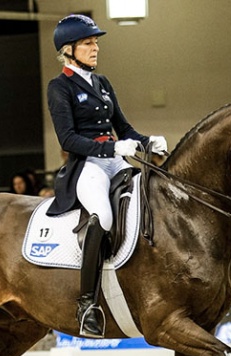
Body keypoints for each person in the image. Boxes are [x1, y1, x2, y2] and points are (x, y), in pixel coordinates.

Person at [46, 14, 167, 338]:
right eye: (88, 43)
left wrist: (147, 141)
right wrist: (111, 150)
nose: (95, 47)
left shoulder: (102, 84)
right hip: (87, 166)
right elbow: (67, 139)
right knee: (103, 216)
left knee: (151, 196)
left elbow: (124, 128)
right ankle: (87, 304)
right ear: (69, 49)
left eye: (96, 42)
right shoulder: (59, 87)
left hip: (116, 159)